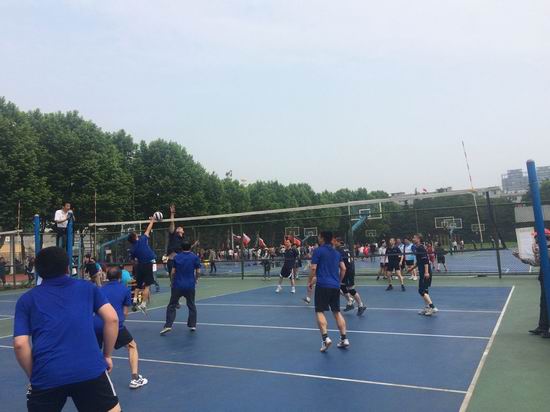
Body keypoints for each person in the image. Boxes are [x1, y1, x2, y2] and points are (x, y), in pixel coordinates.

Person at [13, 247, 121, 412]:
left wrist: (34, 375)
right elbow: (112, 318)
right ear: (68, 268)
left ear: (38, 271)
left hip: (47, 373)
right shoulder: (87, 288)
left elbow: (20, 344)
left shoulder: (26, 300)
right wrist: (107, 355)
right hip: (89, 369)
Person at [94, 266, 148, 389]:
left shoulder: (100, 289)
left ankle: (95, 381)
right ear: (120, 277)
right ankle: (135, 378)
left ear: (107, 277)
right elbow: (124, 312)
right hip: (113, 325)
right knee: (132, 346)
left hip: (95, 324)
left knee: (96, 353)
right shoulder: (125, 289)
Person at [307, 231, 349, 352]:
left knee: (320, 311)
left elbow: (313, 268)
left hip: (322, 285)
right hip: (335, 286)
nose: (318, 238)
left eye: (319, 237)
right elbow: (343, 268)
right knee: (337, 312)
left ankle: (325, 338)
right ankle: (344, 338)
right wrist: (338, 281)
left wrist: (309, 282)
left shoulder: (318, 251)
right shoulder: (336, 253)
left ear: (322, 238)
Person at [513, 229, 550, 338]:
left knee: (547, 302)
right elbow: (537, 262)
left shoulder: (546, 250)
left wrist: (536, 252)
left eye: (536, 238)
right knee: (544, 303)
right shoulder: (543, 249)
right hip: (544, 279)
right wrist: (521, 257)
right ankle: (543, 326)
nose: (535, 240)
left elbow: (544, 258)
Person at [160, 242, 201, 335]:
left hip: (177, 285)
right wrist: (196, 279)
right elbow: (198, 271)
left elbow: (173, 272)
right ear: (190, 247)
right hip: (190, 285)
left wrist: (171, 281)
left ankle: (168, 325)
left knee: (172, 305)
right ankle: (192, 325)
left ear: (181, 248)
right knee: (191, 305)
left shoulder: (177, 257)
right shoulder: (194, 257)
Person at [128, 215, 158, 314]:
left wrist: (137, 266)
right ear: (135, 237)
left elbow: (133, 261)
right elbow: (148, 229)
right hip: (147, 264)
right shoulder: (142, 240)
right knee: (147, 286)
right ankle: (143, 304)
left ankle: (134, 300)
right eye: (136, 234)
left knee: (138, 285)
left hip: (140, 266)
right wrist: (152, 220)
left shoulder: (132, 249)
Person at [407, 234, 438, 316]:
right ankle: (427, 308)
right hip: (422, 272)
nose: (413, 239)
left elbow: (425, 261)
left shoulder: (421, 248)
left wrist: (426, 272)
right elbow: (419, 262)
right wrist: (411, 268)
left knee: (421, 291)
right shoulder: (418, 248)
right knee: (425, 291)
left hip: (425, 272)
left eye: (414, 238)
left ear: (418, 239)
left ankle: (433, 307)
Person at [335, 237, 366, 315]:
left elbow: (338, 262)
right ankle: (350, 302)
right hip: (346, 270)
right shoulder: (346, 248)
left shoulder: (339, 251)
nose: (334, 243)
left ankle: (361, 305)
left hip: (348, 271)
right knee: (342, 287)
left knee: (351, 289)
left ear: (339, 242)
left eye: (335, 242)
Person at [166, 204, 185, 284]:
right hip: (171, 261)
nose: (179, 227)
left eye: (181, 228)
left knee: (180, 279)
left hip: (180, 261)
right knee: (172, 280)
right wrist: (172, 213)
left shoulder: (183, 241)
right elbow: (172, 223)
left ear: (182, 232)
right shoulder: (173, 235)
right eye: (178, 228)